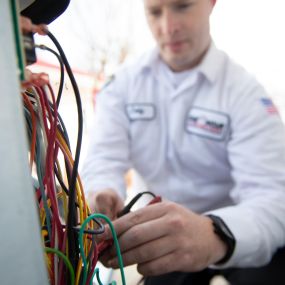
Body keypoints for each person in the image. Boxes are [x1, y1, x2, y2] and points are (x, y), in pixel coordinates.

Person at [80, 0, 285, 284]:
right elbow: (103, 157)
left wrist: (216, 233)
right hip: (160, 236)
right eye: (155, 12)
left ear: (212, 3)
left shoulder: (245, 94)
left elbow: (273, 200)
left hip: (237, 230)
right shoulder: (123, 85)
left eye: (182, 6)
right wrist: (101, 190)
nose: (168, 27)